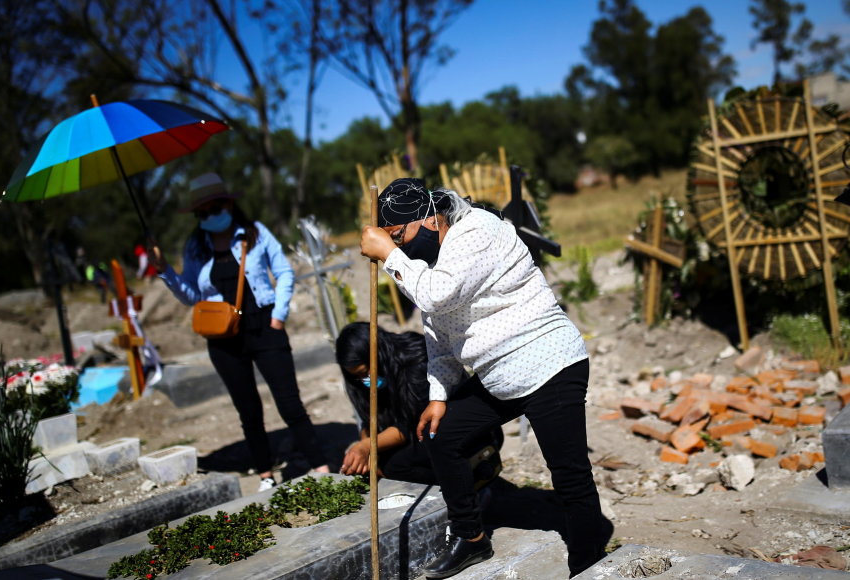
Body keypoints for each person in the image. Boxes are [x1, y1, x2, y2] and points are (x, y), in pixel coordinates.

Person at [359, 178, 613, 579]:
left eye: (399, 235)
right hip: (502, 374)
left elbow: (436, 296)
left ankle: (588, 561)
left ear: (428, 218)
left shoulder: (477, 229)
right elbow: (438, 340)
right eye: (392, 239)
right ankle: (471, 538)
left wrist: (389, 255)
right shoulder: (426, 265)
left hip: (548, 361)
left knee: (568, 472)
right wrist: (439, 396)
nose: (400, 245)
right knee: (443, 436)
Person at [149, 172, 329, 492]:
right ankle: (265, 475)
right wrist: (166, 272)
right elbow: (192, 295)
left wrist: (279, 314)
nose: (209, 217)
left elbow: (284, 272)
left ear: (228, 205)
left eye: (214, 209)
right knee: (248, 410)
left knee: (290, 404)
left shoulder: (256, 233)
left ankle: (320, 465)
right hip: (223, 336)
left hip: (265, 327)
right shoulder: (195, 246)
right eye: (201, 213)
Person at [335, 321, 502, 487]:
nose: (366, 379)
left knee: (396, 466)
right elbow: (368, 419)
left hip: (460, 430)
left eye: (366, 372)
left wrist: (367, 446)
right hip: (415, 434)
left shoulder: (416, 361)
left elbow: (409, 426)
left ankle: (469, 486)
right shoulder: (361, 381)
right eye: (359, 376)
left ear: (379, 355)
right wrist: (369, 452)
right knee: (380, 460)